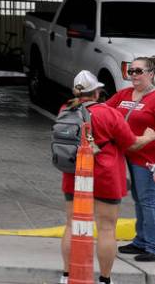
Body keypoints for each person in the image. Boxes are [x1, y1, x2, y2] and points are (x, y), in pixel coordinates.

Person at [58, 71, 155, 284]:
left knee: (71, 224)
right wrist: (148, 136)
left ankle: (66, 276)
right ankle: (104, 279)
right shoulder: (108, 113)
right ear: (97, 92)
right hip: (105, 175)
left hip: (73, 174)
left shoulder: (66, 109)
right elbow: (131, 143)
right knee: (106, 228)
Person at [106, 57, 155, 262]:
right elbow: (104, 111)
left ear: (151, 73)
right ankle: (141, 240)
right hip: (127, 154)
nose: (133, 75)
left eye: (138, 71)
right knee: (138, 199)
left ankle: (152, 246)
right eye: (130, 71)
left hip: (147, 157)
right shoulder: (124, 94)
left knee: (148, 201)